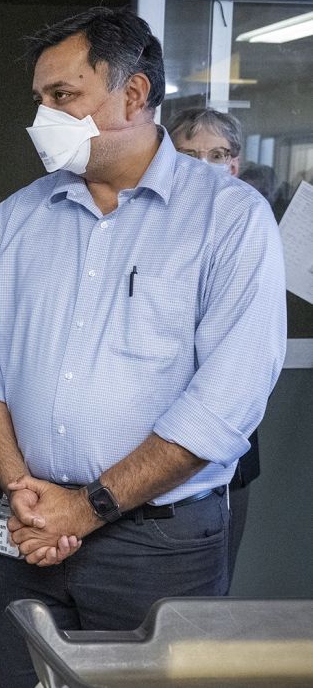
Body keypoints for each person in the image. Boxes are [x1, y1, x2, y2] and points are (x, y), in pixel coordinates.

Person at [0, 6, 286, 688]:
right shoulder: (18, 218)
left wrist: (90, 505)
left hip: (156, 543)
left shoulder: (227, 217)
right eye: (39, 99)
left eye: (62, 96)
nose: (43, 116)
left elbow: (228, 397)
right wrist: (24, 490)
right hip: (25, 526)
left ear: (133, 95)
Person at [167, 107, 263, 579]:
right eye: (189, 155)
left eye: (217, 155)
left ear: (235, 163)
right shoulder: (152, 227)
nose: (205, 166)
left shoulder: (251, 226)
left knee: (215, 573)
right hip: (160, 440)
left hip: (226, 445)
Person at [166, 106, 244, 176]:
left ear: (233, 168)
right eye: (188, 156)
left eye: (216, 156)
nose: (201, 169)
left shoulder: (249, 192)